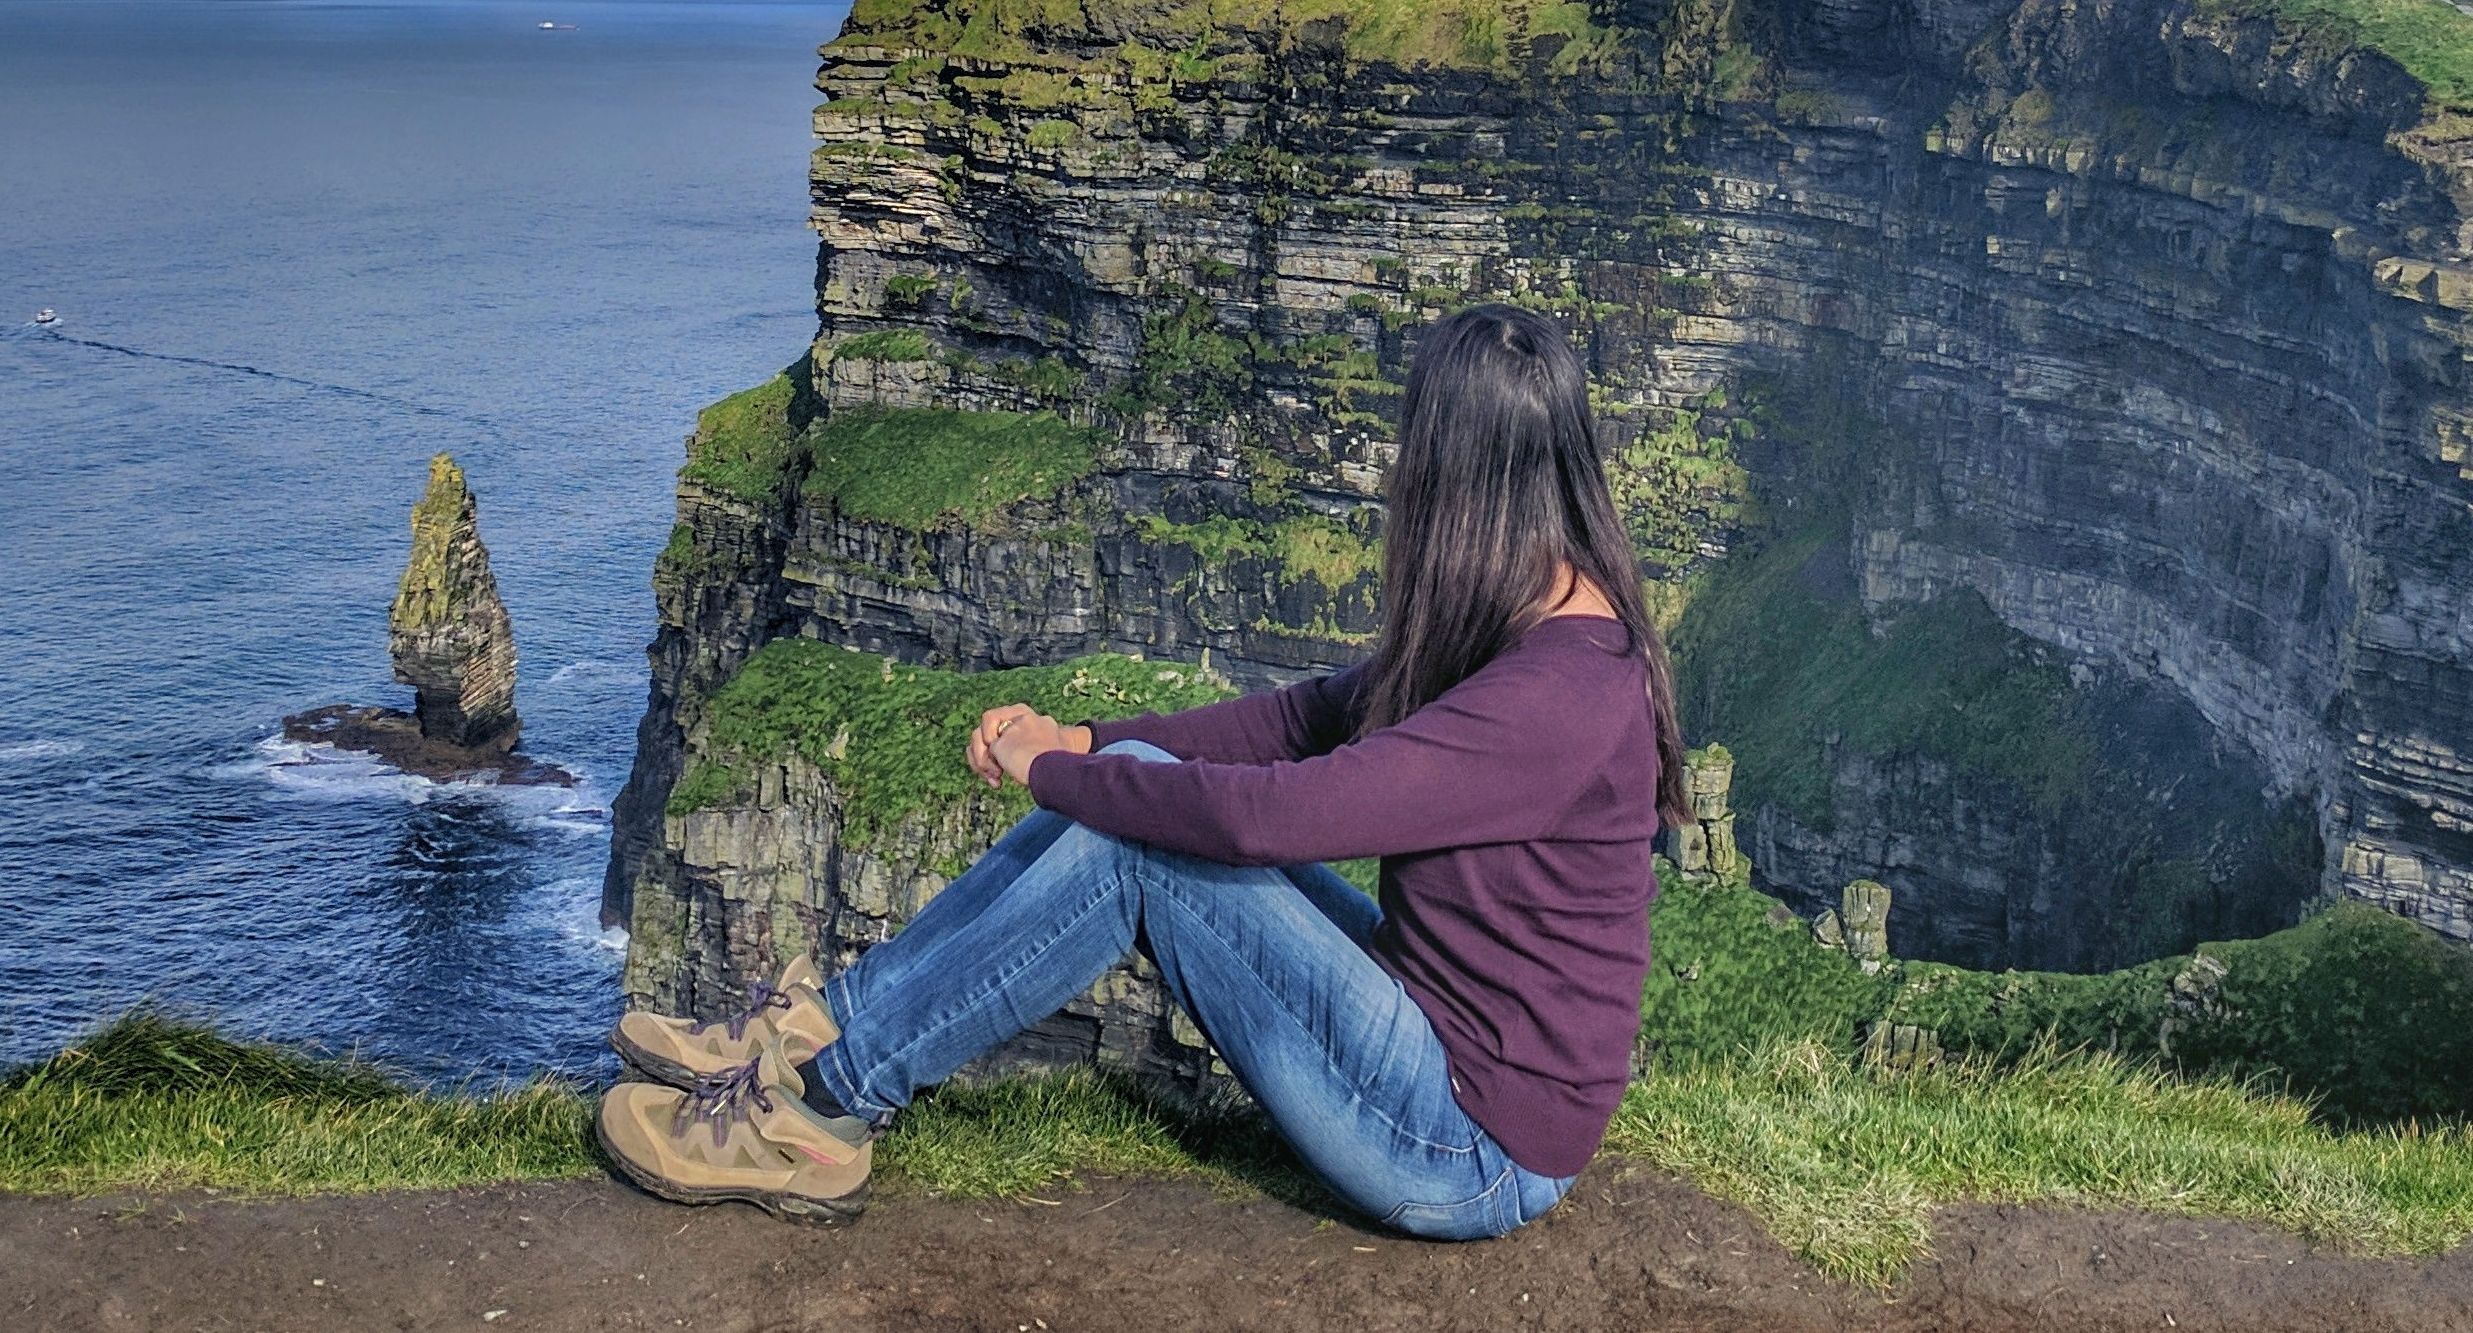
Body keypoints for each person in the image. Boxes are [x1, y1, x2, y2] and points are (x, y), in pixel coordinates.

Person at [593, 303, 1683, 1235]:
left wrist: (1051, 780)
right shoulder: (1519, 613)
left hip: (1469, 1143)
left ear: (1455, 471)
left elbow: (1280, 816)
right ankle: (822, 1027)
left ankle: (823, 1112)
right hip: (1433, 1035)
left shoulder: (1559, 698)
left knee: (1142, 857)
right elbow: (1307, 717)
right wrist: (1090, 744)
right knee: (1149, 785)